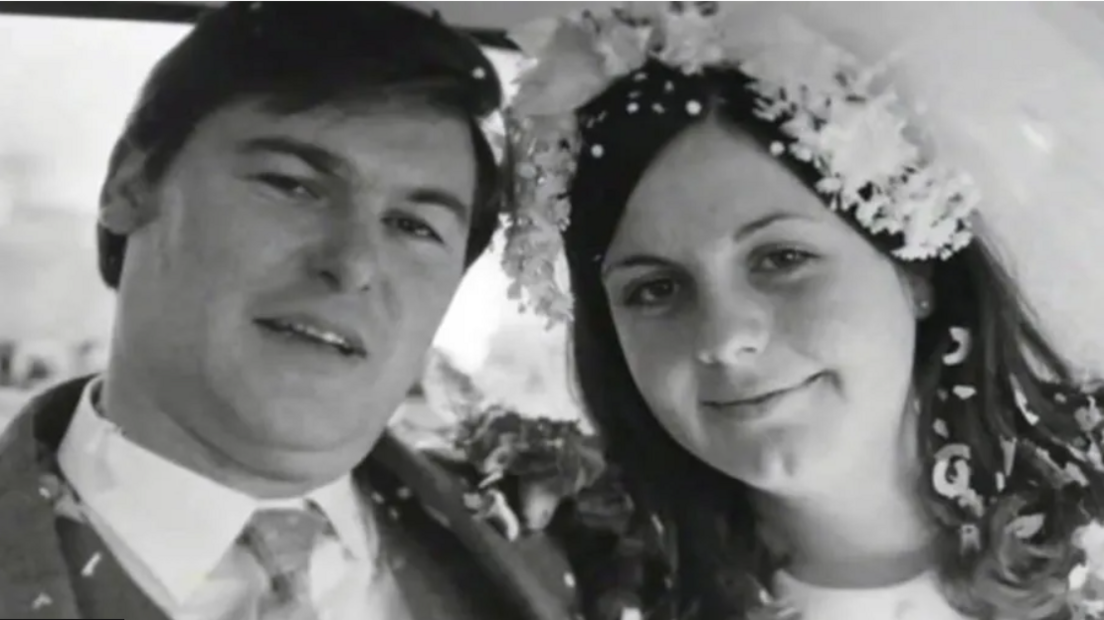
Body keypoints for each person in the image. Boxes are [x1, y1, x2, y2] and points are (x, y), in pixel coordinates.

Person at [502, 4, 1104, 620]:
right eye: (655, 289)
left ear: (916, 269)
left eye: (781, 257)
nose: (726, 336)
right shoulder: (570, 583)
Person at [0, 4, 577, 619]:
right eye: (293, 185)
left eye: (413, 226)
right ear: (129, 187)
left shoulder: (561, 551)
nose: (352, 263)